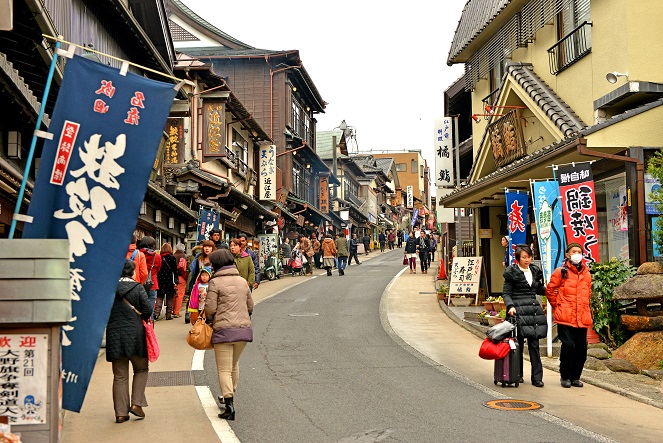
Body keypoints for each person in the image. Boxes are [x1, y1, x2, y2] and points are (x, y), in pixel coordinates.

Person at [205, 249, 254, 421]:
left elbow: (210, 309)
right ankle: (229, 393)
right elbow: (250, 306)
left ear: (216, 264)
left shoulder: (215, 283)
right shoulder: (242, 281)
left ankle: (229, 405)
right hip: (243, 329)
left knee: (224, 369)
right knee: (234, 364)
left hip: (224, 330)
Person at [106, 260, 152, 423]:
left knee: (119, 376)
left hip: (114, 335)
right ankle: (137, 404)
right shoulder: (137, 287)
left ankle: (120, 414)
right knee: (141, 369)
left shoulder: (108, 290)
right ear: (132, 272)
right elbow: (147, 310)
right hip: (135, 334)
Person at [546, 242, 593, 388]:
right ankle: (565, 376)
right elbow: (550, 290)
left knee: (581, 348)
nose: (577, 254)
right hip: (565, 317)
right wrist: (558, 305)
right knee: (568, 345)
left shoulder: (586, 273)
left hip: (582, 317)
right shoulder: (561, 272)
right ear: (567, 254)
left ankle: (575, 377)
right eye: (574, 251)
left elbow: (588, 293)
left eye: (579, 251)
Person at [502, 244, 547, 388]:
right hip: (518, 312)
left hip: (533, 311)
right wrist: (510, 306)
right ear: (518, 258)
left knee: (534, 345)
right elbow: (506, 293)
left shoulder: (534, 271)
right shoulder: (512, 272)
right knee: (518, 345)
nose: (527, 260)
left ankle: (537, 378)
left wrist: (550, 290)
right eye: (524, 257)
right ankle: (518, 374)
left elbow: (538, 289)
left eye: (529, 257)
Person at [138, 236, 161, 319]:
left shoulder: (139, 255)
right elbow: (158, 269)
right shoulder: (157, 257)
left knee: (139, 310)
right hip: (152, 284)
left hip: (139, 284)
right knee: (150, 310)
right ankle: (150, 329)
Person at [155, 243, 178, 320]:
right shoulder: (172, 258)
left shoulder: (159, 257)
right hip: (169, 280)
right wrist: (176, 280)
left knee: (159, 297)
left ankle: (156, 314)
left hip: (160, 279)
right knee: (170, 298)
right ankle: (168, 315)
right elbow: (175, 270)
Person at [173, 243, 188, 318]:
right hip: (181, 277)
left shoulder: (173, 255)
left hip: (173, 278)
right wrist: (186, 277)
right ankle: (176, 312)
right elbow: (183, 268)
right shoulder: (184, 256)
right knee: (180, 294)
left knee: (174, 295)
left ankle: (172, 310)